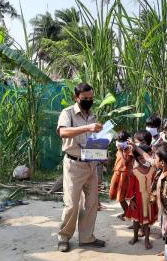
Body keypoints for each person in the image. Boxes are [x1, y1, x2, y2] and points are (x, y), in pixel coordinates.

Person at [56, 83, 106, 252]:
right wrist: (86, 127)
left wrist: (103, 149)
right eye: (85, 99)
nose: (89, 101)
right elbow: (62, 133)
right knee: (71, 204)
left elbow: (94, 138)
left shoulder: (93, 115)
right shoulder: (67, 113)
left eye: (91, 98)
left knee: (91, 204)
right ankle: (64, 237)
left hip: (91, 163)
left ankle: (86, 238)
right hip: (74, 164)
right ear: (76, 97)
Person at [126, 144, 156, 250]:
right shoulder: (134, 171)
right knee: (135, 221)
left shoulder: (153, 170)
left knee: (146, 222)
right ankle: (135, 237)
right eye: (140, 158)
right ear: (136, 158)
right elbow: (131, 188)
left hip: (149, 199)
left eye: (144, 157)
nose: (142, 159)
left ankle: (147, 240)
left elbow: (155, 186)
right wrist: (132, 201)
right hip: (138, 200)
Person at [109, 131, 134, 220]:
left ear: (127, 141)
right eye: (119, 140)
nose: (119, 142)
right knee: (114, 193)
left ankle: (128, 213)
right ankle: (126, 212)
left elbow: (126, 163)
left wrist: (120, 151)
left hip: (124, 173)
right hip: (117, 172)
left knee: (121, 196)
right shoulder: (120, 149)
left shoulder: (129, 149)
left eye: (122, 140)